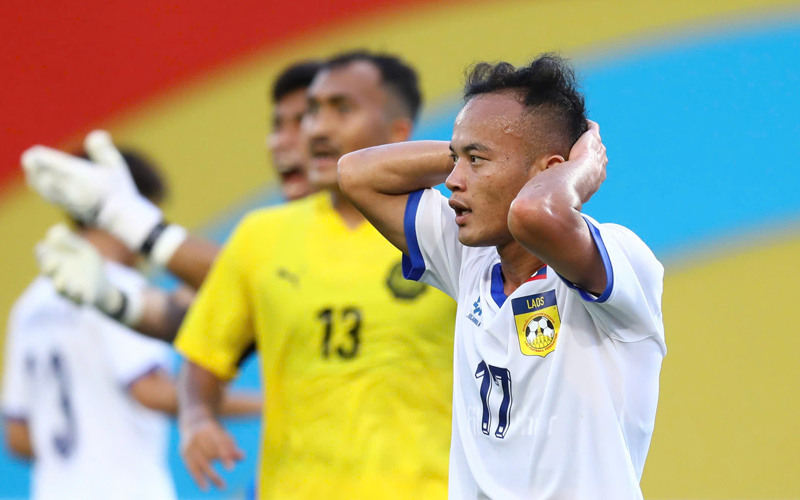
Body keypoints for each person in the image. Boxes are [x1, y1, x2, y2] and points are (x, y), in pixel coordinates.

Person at [338, 54, 666, 499]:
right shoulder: (470, 259)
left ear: (551, 170)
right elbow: (356, 174)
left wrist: (585, 165)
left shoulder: (621, 259)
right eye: (455, 160)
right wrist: (468, 151)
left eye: (476, 160)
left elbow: (534, 214)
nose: (452, 180)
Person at [173, 51, 456, 498]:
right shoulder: (259, 236)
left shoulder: (448, 230)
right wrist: (196, 419)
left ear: (398, 133)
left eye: (342, 109)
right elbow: (204, 359)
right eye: (311, 112)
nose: (318, 129)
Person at [2, 148, 261, 500]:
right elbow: (150, 392)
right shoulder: (116, 288)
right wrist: (263, 403)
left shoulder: (29, 305)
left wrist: (82, 447)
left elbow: (17, 437)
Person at [21, 61, 322, 342]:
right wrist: (116, 301)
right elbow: (195, 315)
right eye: (277, 126)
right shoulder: (272, 235)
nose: (280, 141)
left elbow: (260, 287)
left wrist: (125, 216)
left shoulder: (354, 227)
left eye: (303, 122)